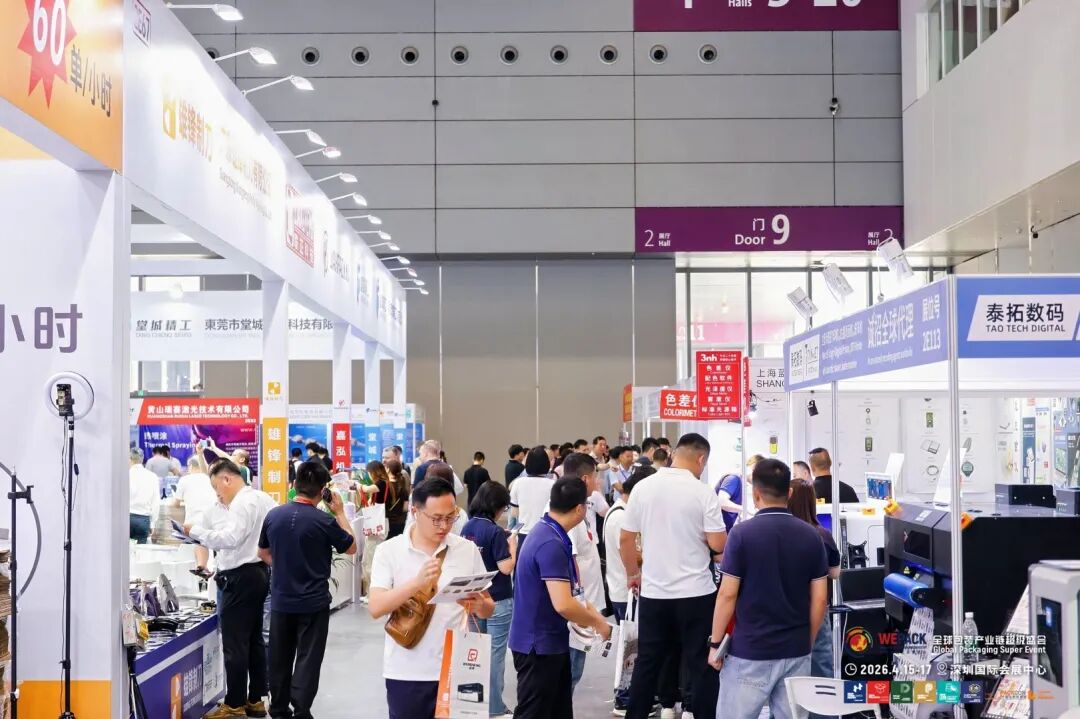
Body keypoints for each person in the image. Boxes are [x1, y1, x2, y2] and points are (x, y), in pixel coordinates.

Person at [709, 458, 829, 719]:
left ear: (755, 495)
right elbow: (820, 599)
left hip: (750, 651)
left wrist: (715, 643)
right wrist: (807, 641)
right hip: (796, 651)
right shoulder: (812, 536)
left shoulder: (741, 534)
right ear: (789, 493)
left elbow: (727, 594)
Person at [620, 433, 726, 719]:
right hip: (697, 594)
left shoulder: (643, 488)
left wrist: (633, 574)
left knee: (647, 664)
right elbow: (718, 544)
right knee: (701, 664)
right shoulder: (703, 492)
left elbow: (626, 540)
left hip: (655, 593)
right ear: (701, 459)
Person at [369, 478, 494, 719]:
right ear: (415, 512)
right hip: (407, 672)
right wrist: (416, 583)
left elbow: (489, 607)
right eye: (436, 518)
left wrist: (481, 606)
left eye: (450, 517)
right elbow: (376, 607)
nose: (444, 526)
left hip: (459, 670)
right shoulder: (390, 551)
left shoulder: (466, 549)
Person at [258, 461, 356, 719]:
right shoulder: (324, 520)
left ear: (294, 484)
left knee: (279, 656)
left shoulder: (274, 515)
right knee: (308, 658)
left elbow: (263, 553)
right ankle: (301, 710)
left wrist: (284, 566)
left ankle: (278, 709)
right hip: (313, 602)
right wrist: (339, 512)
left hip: (281, 600)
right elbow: (351, 547)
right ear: (323, 490)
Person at [509, 477, 612, 719]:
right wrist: (598, 623)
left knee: (558, 710)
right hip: (538, 646)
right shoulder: (550, 542)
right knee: (534, 712)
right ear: (580, 509)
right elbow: (563, 604)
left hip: (550, 641)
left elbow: (570, 594)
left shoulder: (549, 532)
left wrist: (589, 611)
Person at [185, 459, 277, 719]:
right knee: (254, 640)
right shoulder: (263, 499)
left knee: (235, 642)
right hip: (259, 573)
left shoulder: (241, 503)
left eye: (217, 487)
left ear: (227, 479)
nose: (218, 493)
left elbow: (231, 539)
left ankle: (234, 703)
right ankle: (255, 699)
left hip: (238, 577)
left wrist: (196, 531)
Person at [461, 482, 517, 719]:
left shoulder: (467, 527)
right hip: (498, 599)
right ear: (497, 506)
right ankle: (494, 707)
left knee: (475, 653)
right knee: (495, 654)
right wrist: (512, 546)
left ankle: (474, 704)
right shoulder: (495, 532)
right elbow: (506, 568)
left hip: (473, 598)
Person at [604, 464, 655, 715]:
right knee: (631, 648)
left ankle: (630, 696)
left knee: (633, 646)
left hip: (623, 589)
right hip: (627, 592)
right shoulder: (622, 517)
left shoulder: (618, 512)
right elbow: (633, 555)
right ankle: (624, 698)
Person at [558, 453, 606, 692]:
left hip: (584, 602)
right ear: (586, 478)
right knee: (571, 670)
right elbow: (571, 559)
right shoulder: (569, 510)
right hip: (577, 604)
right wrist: (582, 604)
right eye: (595, 477)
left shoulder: (581, 507)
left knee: (575, 667)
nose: (598, 482)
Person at [788, 478, 842, 680]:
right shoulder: (822, 534)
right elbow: (835, 573)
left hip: (786, 607)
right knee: (820, 665)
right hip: (816, 608)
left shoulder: (781, 533)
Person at [173, 454, 216, 572]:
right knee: (204, 544)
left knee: (196, 544)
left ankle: (200, 569)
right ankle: (204, 570)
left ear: (191, 466)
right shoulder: (211, 478)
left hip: (192, 520)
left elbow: (175, 504)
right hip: (212, 519)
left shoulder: (185, 480)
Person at [360, 461, 394, 603]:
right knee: (370, 558)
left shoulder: (381, 483)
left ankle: (372, 595)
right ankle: (371, 593)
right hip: (380, 524)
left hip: (377, 525)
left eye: (369, 472)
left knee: (370, 559)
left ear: (373, 471)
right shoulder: (386, 483)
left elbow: (366, 489)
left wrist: (357, 485)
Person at [509, 446, 555, 547]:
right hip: (546, 533)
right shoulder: (553, 484)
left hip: (524, 533)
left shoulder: (518, 483)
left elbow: (514, 513)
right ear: (546, 464)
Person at [716, 455, 764, 532]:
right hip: (718, 529)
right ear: (753, 468)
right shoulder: (734, 479)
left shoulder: (743, 484)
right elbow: (721, 501)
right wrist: (745, 509)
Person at [129, 447, 160, 544]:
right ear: (142, 459)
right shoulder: (152, 476)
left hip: (126, 517)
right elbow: (156, 502)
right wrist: (153, 523)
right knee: (140, 551)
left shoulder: (125, 475)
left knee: (122, 550)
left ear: (129, 459)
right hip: (143, 519)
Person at [383, 459, 410, 538]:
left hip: (387, 523)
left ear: (388, 469)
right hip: (400, 523)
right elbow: (405, 508)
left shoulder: (384, 486)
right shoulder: (403, 487)